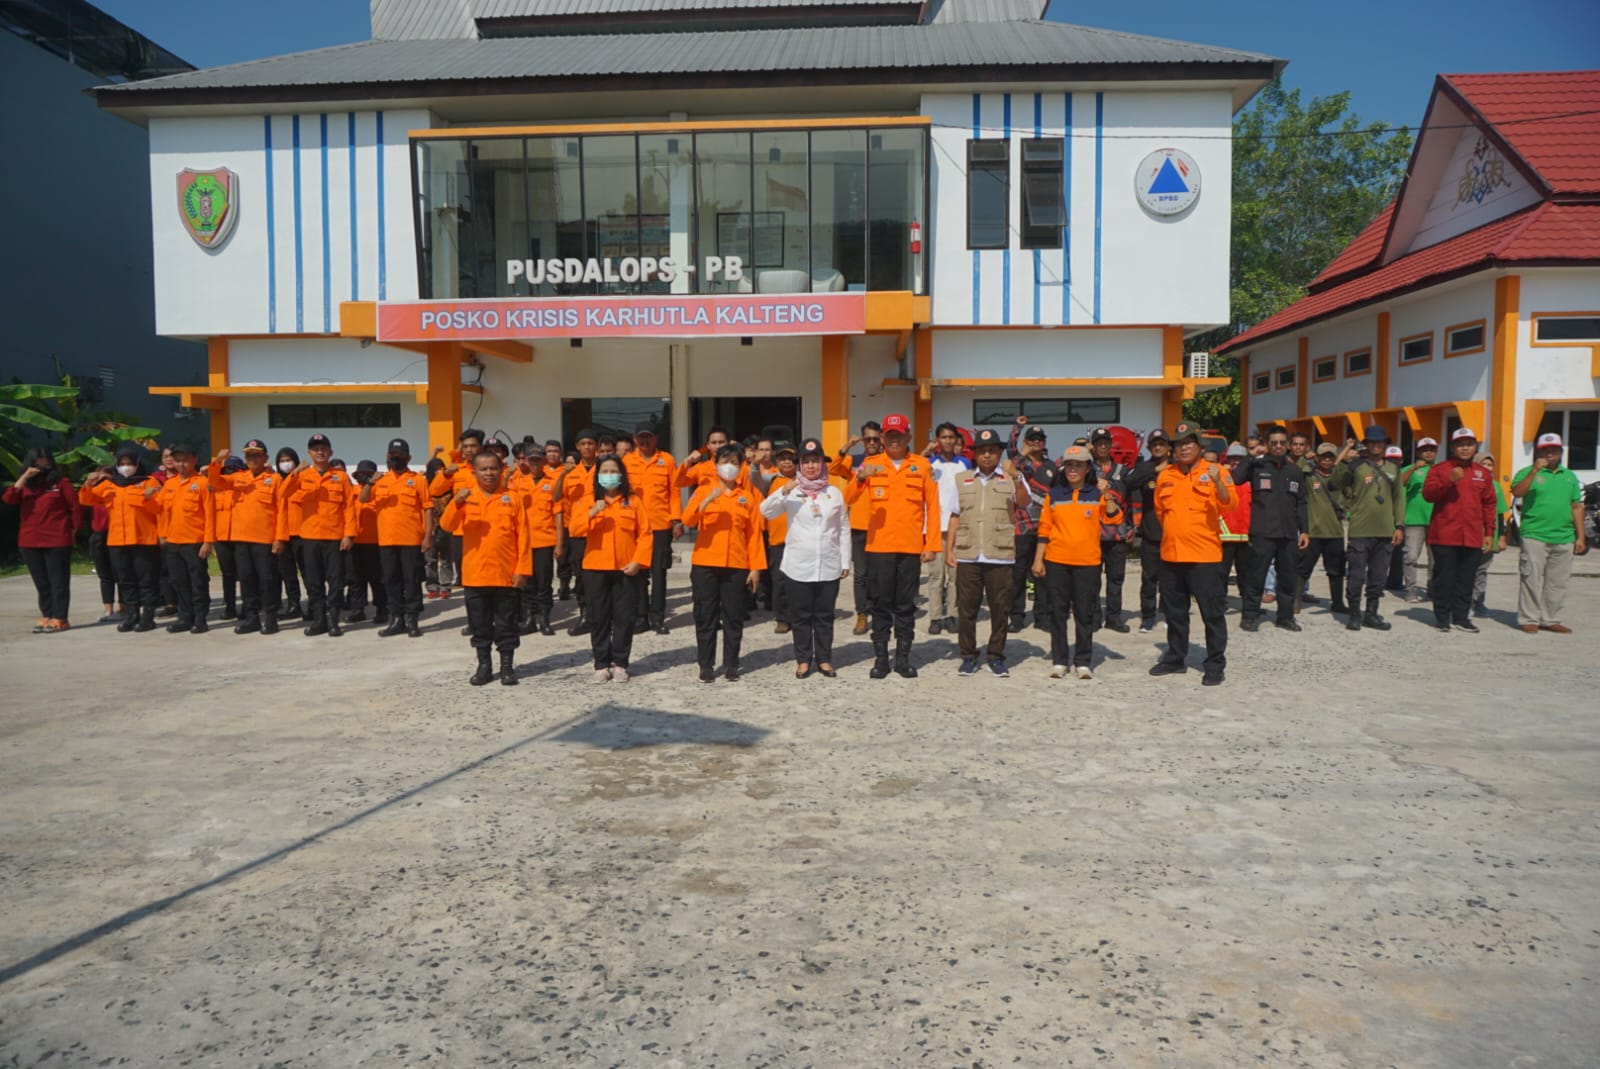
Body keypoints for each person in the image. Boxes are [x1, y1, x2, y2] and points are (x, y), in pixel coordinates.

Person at [847, 413, 941, 679]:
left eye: (899, 434)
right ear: (883, 438)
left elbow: (933, 508)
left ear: (908, 437)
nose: (894, 439)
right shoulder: (871, 464)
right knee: (879, 604)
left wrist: (932, 544)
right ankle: (880, 660)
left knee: (905, 605)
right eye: (889, 435)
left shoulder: (921, 466)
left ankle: (902, 659)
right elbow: (849, 497)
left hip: (910, 549)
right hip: (879, 548)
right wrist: (861, 478)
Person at [1149, 421, 1233, 686]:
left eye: (1188, 443)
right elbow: (1162, 513)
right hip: (1172, 555)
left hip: (1204, 557)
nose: (1183, 448)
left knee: (1212, 613)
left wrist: (1218, 482)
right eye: (1179, 444)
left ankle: (1215, 664)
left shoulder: (1216, 471)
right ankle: (1175, 658)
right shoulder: (1166, 476)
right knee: (1175, 612)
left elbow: (1230, 504)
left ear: (1199, 446)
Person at [761, 437, 851, 678]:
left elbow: (842, 528)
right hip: (798, 565)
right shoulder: (790, 490)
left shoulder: (834, 493)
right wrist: (783, 490)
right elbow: (765, 511)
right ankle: (803, 659)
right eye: (806, 461)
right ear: (799, 465)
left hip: (828, 564)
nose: (811, 466)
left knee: (824, 616)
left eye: (815, 461)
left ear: (822, 463)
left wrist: (845, 560)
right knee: (801, 616)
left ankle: (824, 659)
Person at [438, 451, 530, 685]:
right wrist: (456, 501)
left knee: (506, 624)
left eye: (493, 468)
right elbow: (446, 525)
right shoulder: (466, 498)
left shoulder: (513, 498)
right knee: (480, 625)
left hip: (505, 574)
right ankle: (484, 666)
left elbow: (524, 538)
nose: (489, 473)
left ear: (500, 470)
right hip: (475, 575)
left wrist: (522, 570)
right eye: (483, 469)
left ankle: (507, 667)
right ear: (475, 472)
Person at [944, 429, 1029, 676]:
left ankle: (995, 655)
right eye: (982, 451)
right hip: (968, 553)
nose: (988, 455)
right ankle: (968, 655)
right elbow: (954, 516)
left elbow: (1024, 502)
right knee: (967, 609)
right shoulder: (962, 479)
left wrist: (1016, 477)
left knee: (1000, 608)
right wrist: (949, 550)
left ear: (999, 453)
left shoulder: (1010, 478)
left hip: (999, 554)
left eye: (992, 450)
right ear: (975, 454)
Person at [1034, 444, 1122, 680]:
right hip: (1057, 561)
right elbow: (1044, 528)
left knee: (1085, 613)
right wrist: (1038, 560)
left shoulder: (1095, 493)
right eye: (1069, 465)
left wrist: (1107, 494)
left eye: (1078, 465)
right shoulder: (1054, 495)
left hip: (1087, 563)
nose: (1073, 469)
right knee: (1058, 612)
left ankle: (1083, 661)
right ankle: (1060, 660)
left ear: (1087, 468)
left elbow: (1115, 519)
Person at [684, 446, 767, 682]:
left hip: (737, 564)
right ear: (715, 464)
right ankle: (706, 664)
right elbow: (687, 519)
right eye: (724, 460)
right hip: (705, 564)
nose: (728, 465)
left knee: (733, 616)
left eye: (733, 461)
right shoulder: (702, 491)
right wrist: (705, 503)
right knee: (705, 615)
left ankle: (732, 663)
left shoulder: (747, 497)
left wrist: (756, 568)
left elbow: (754, 535)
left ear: (741, 466)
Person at [580, 455, 654, 682]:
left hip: (626, 568)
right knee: (598, 617)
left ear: (621, 475)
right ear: (597, 475)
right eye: (605, 471)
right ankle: (601, 664)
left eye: (614, 470)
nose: (609, 475)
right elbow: (574, 529)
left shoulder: (633, 501)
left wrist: (638, 561)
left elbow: (645, 533)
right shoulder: (587, 501)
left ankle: (620, 662)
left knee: (624, 617)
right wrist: (592, 513)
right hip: (595, 567)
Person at [276, 433, 356, 637]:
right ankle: (319, 619)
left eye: (323, 448)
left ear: (330, 452)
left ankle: (333, 620)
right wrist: (295, 472)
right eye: (315, 449)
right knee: (314, 581)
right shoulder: (302, 476)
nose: (319, 452)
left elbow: (349, 507)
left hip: (334, 536)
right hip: (310, 537)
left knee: (335, 581)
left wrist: (349, 534)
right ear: (309, 453)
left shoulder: (341, 477)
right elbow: (283, 493)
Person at [1509, 431, 1586, 635]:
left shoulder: (1569, 476)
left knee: (1558, 581)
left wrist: (1580, 536)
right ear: (1538, 452)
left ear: (1561, 452)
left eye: (1554, 449)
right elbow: (1517, 492)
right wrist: (1534, 471)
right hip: (1535, 534)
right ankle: (1529, 618)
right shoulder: (1527, 472)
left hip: (1564, 536)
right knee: (1531, 578)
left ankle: (1551, 619)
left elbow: (1576, 506)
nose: (1549, 453)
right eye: (1545, 450)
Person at [1421, 427, 1497, 633]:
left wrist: (1489, 533)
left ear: (1475, 447)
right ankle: (1442, 618)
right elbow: (1428, 495)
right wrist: (1449, 480)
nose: (1465, 448)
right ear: (1453, 447)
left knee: (1466, 578)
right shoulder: (1439, 469)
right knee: (1444, 578)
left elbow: (1489, 504)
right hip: (1445, 534)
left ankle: (1461, 617)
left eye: (1469, 444)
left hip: (1472, 536)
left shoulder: (1483, 474)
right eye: (1460, 444)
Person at [78, 446, 162, 632]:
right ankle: (131, 616)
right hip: (117, 540)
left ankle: (148, 617)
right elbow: (86, 500)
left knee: (146, 580)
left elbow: (160, 509)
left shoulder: (149, 482)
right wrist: (88, 483)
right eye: (122, 464)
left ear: (137, 464)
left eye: (130, 464)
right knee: (125, 580)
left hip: (143, 539)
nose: (126, 467)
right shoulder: (109, 484)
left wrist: (149, 498)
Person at [1234, 425, 1310, 632]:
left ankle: (1285, 617)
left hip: (1287, 533)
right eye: (1274, 442)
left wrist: (1304, 530)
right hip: (1263, 532)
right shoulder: (1257, 466)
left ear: (1287, 445)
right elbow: (1236, 478)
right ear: (1267, 444)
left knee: (1287, 578)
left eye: (1282, 443)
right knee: (1256, 576)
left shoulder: (1294, 470)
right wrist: (1250, 457)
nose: (1278, 446)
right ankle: (1249, 616)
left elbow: (1302, 502)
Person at [1328, 428, 1404, 631]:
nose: (1376, 446)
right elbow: (1334, 484)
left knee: (1379, 576)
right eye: (1372, 442)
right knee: (1356, 575)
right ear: (1366, 444)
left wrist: (1399, 525)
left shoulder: (1393, 467)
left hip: (1385, 530)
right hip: (1360, 529)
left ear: (1386, 444)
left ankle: (1371, 613)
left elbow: (1399, 498)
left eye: (1380, 442)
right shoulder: (1356, 466)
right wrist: (1344, 462)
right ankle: (1354, 613)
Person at [207, 440, 283, 634]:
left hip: (265, 540)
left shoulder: (274, 480)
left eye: (256, 455)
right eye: (249, 456)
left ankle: (271, 618)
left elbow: (282, 511)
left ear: (265, 457)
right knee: (247, 580)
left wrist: (280, 538)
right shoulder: (238, 478)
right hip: (241, 539)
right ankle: (252, 618)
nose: (252, 459)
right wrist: (217, 462)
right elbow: (215, 482)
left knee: (268, 580)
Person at [362, 437, 433, 638]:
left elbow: (427, 509)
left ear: (408, 457)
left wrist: (427, 536)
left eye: (400, 456)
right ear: (387, 457)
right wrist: (369, 482)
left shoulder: (418, 480)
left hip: (411, 539)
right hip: (386, 540)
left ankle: (412, 620)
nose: (396, 459)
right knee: (390, 581)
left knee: (411, 581)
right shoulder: (380, 480)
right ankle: (396, 619)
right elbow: (364, 498)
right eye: (393, 456)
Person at [6, 447, 80, 632]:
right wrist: (24, 478)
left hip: (57, 539)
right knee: (41, 582)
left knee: (58, 581)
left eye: (46, 461)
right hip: (29, 539)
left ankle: (60, 617)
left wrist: (73, 532)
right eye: (38, 461)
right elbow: (9, 499)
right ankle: (46, 615)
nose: (42, 464)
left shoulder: (61, 482)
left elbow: (75, 509)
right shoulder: (25, 486)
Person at [621, 422, 681, 635]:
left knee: (659, 573)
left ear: (655, 438)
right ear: (635, 439)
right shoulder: (627, 461)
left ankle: (657, 617)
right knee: (637, 574)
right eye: (640, 437)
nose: (645, 441)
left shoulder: (667, 460)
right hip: (634, 526)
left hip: (660, 525)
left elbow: (674, 492)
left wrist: (676, 520)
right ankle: (640, 616)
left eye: (648, 437)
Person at [1005, 416, 1059, 632]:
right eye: (1032, 439)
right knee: (1017, 574)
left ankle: (1042, 616)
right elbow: (1010, 451)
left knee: (1043, 573)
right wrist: (1018, 427)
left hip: (1045, 527)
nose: (1037, 442)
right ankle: (1016, 616)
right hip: (1022, 526)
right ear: (1026, 442)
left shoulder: (1051, 466)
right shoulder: (1020, 463)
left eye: (1040, 439)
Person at [829, 420, 884, 634]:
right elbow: (833, 468)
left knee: (878, 574)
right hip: (859, 526)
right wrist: (845, 447)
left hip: (881, 527)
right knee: (861, 574)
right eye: (867, 438)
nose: (871, 442)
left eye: (875, 438)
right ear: (862, 440)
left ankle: (879, 611)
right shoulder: (855, 461)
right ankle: (862, 614)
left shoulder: (886, 461)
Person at [156, 443, 215, 634]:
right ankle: (185, 617)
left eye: (185, 460)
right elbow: (162, 511)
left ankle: (200, 618)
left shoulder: (202, 483)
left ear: (194, 460)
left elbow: (211, 514)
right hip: (174, 542)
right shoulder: (170, 484)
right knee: (178, 581)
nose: (181, 464)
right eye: (178, 460)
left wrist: (208, 541)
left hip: (195, 542)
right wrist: (162, 535)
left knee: (197, 581)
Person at [507, 443, 563, 637]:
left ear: (544, 461)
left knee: (544, 583)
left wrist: (559, 542)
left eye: (539, 460)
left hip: (545, 540)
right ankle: (529, 619)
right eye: (531, 460)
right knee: (527, 583)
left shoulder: (552, 481)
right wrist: (507, 474)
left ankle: (545, 620)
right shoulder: (518, 482)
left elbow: (558, 513)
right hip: (523, 540)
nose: (535, 464)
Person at [923, 422, 971, 635]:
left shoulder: (965, 464)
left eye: (952, 437)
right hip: (934, 527)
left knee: (955, 576)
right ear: (938, 440)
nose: (948, 441)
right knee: (936, 576)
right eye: (944, 437)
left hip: (958, 527)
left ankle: (953, 614)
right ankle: (935, 616)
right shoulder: (929, 464)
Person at [1121, 429, 1170, 633]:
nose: (1158, 447)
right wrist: (1156, 470)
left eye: (1161, 443)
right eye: (1154, 444)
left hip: (1173, 532)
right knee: (1149, 578)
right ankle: (1147, 617)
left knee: (1171, 579)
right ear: (1149, 448)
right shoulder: (1145, 467)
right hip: (1151, 532)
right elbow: (1129, 482)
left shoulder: (1178, 467)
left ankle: (1168, 613)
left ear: (1168, 447)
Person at [1087, 427, 1134, 632]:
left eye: (1106, 442)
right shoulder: (1085, 470)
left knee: (1116, 578)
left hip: (1117, 533)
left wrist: (1132, 528)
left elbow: (1130, 499)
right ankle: (1095, 618)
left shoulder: (1123, 470)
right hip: (1093, 533)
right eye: (1098, 443)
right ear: (1094, 446)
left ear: (1111, 445)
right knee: (1092, 579)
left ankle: (1114, 618)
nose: (1103, 446)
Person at [1298, 443, 1349, 619]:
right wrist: (1305, 456)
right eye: (1323, 456)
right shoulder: (1308, 475)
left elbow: (1351, 492)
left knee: (1336, 570)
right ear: (1317, 457)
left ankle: (1338, 602)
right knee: (1303, 568)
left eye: (1330, 456)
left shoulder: (1339, 476)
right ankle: (1295, 601)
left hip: (1335, 532)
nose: (1327, 459)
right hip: (1313, 531)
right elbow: (1296, 468)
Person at [561, 428, 601, 635]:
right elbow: (558, 499)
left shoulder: (605, 470)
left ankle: (601, 616)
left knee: (601, 575)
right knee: (581, 576)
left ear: (597, 446)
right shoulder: (570, 474)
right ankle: (585, 615)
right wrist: (563, 474)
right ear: (577, 447)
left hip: (600, 530)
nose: (587, 447)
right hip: (577, 531)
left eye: (590, 443)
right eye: (583, 444)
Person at [344, 460, 387, 624]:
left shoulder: (379, 490)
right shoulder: (351, 491)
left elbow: (365, 501)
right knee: (355, 578)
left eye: (368, 474)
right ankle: (358, 610)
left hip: (374, 541)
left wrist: (371, 483)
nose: (364, 476)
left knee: (377, 579)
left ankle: (382, 609)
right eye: (361, 473)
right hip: (355, 540)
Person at [762, 442, 799, 634]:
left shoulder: (804, 481)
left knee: (798, 580)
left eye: (790, 459)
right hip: (777, 540)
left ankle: (798, 615)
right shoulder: (771, 481)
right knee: (779, 581)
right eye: (783, 458)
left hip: (799, 540)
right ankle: (782, 618)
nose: (786, 462)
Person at [1398, 437, 1438, 601]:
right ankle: (1411, 590)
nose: (1428, 452)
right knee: (1411, 557)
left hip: (1436, 520)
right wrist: (1414, 468)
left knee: (1435, 560)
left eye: (1432, 449)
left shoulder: (1441, 469)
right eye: (1424, 449)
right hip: (1414, 520)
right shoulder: (1408, 469)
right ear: (1418, 452)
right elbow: (1399, 485)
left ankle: (1432, 590)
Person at [1470, 452, 1509, 618]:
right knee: (1466, 571)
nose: (1486, 468)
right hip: (1471, 534)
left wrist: (1501, 537)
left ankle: (1478, 604)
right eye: (1483, 464)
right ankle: (1463, 603)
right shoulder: (1469, 483)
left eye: (1490, 465)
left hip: (1489, 535)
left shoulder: (1496, 485)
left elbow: (1500, 514)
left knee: (1482, 571)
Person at [272, 446, 307, 618]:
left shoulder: (304, 479)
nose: (286, 464)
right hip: (282, 535)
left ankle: (315, 606)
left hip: (302, 535)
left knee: (308, 573)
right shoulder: (275, 480)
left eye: (289, 460)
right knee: (287, 574)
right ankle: (294, 605)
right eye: (282, 461)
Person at [1218, 443, 1253, 604]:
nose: (1235, 462)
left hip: (1246, 534)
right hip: (1225, 533)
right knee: (1221, 572)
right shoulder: (1221, 477)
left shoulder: (1251, 478)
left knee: (1247, 573)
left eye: (1239, 458)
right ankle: (1220, 602)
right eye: (1232, 458)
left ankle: (1248, 603)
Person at [210, 456, 242, 621]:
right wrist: (217, 460)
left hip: (240, 536)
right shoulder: (216, 490)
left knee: (245, 573)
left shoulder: (245, 488)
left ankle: (250, 606)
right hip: (221, 537)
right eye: (227, 470)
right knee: (227, 574)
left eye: (235, 470)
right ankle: (230, 607)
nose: (231, 473)